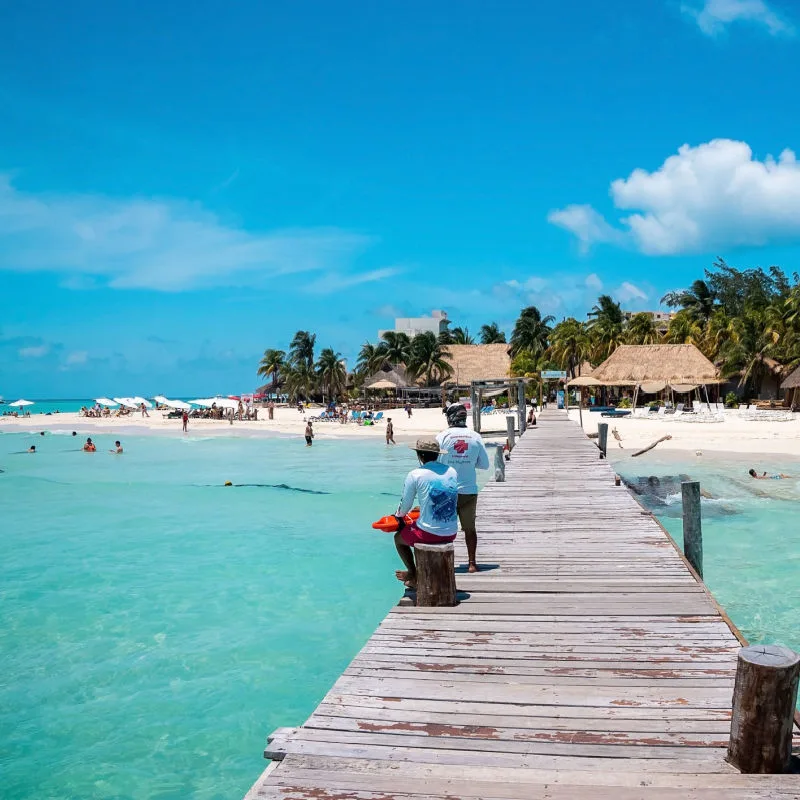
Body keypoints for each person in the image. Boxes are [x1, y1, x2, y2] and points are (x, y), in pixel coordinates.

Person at [394, 439, 459, 589]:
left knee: (398, 538)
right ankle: (419, 573)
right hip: (451, 531)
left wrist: (397, 516)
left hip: (430, 533)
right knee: (416, 526)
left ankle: (413, 573)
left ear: (420, 455)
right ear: (437, 454)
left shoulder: (415, 474)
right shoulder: (451, 471)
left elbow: (405, 506)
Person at [436, 403, 490, 573]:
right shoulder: (475, 436)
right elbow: (485, 465)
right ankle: (472, 563)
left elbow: (434, 463)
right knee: (469, 528)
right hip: (469, 491)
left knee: (443, 529)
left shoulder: (442, 437)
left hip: (446, 490)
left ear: (449, 417)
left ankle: (444, 565)